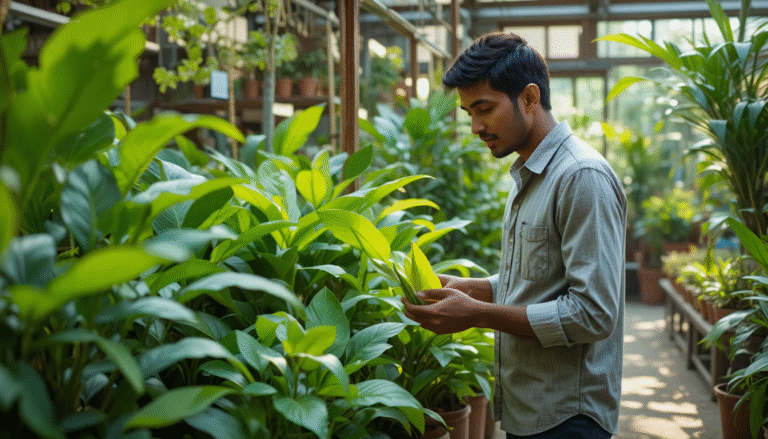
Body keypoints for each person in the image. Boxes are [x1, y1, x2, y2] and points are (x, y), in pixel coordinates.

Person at [402, 31, 626, 439]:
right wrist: (476, 290)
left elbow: (594, 313)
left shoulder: (580, 177)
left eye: (484, 108)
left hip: (568, 419)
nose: (475, 126)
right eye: (468, 112)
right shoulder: (531, 175)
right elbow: (545, 281)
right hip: (533, 409)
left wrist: (478, 315)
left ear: (529, 98)